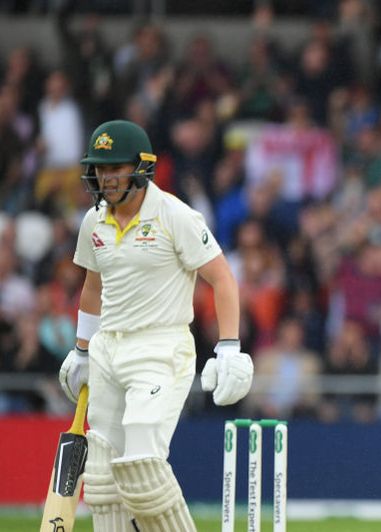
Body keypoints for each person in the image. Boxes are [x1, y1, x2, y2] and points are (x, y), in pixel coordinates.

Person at [57, 119, 253, 532]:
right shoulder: (93, 221)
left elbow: (222, 279)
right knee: (104, 477)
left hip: (160, 348)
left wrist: (229, 347)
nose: (105, 178)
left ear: (142, 168)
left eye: (115, 168)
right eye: (99, 168)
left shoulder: (174, 215)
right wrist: (81, 350)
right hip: (109, 348)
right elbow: (92, 289)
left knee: (142, 466)